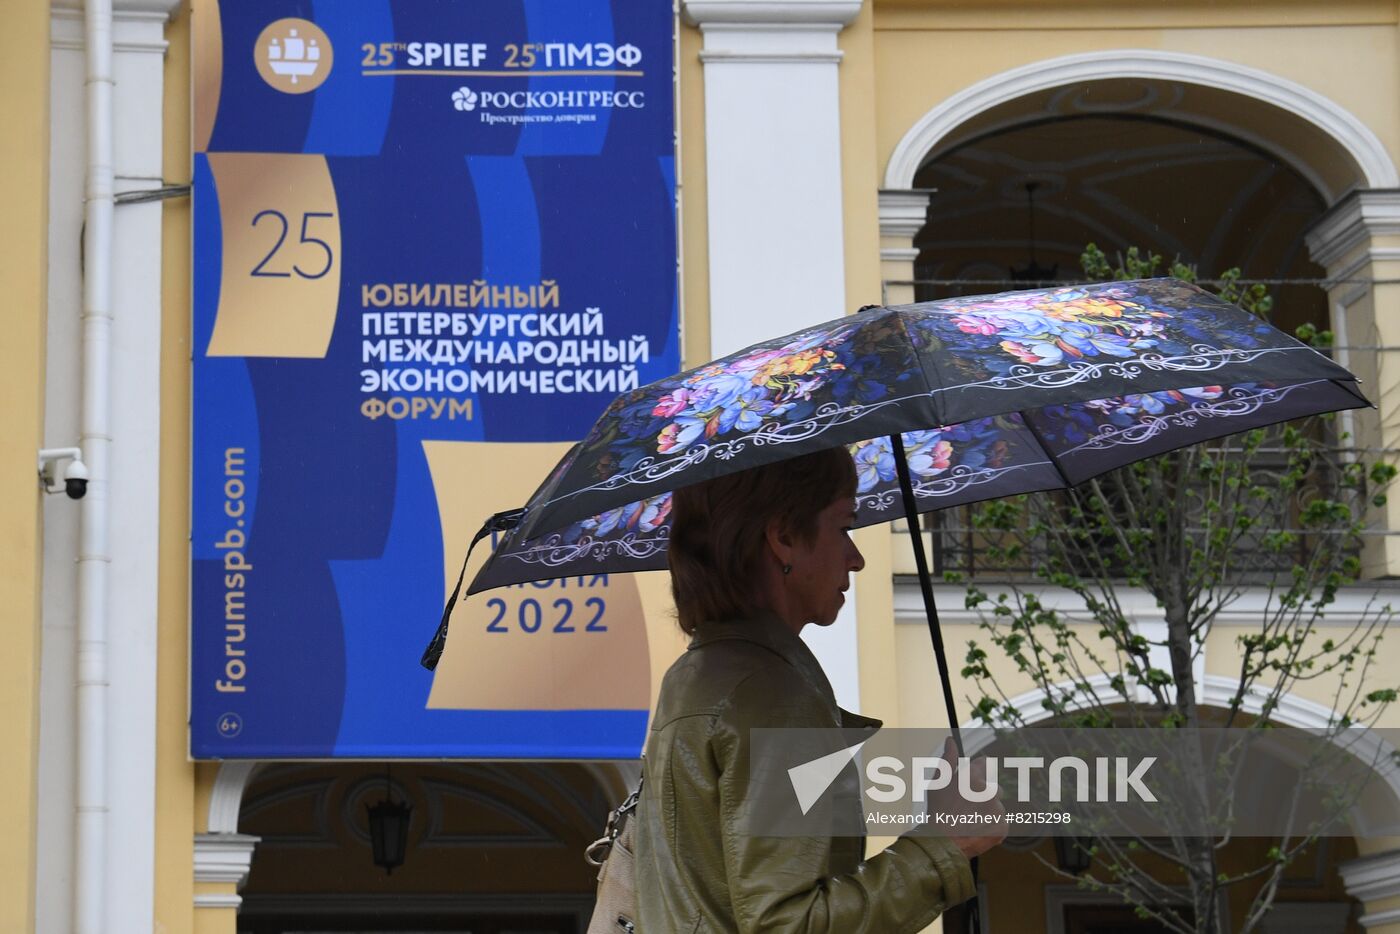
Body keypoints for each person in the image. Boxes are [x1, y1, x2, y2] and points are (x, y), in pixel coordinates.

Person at [634, 446, 1006, 932]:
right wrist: (947, 846)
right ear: (784, 537)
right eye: (843, 526)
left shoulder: (697, 675)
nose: (857, 559)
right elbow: (789, 923)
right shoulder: (767, 692)